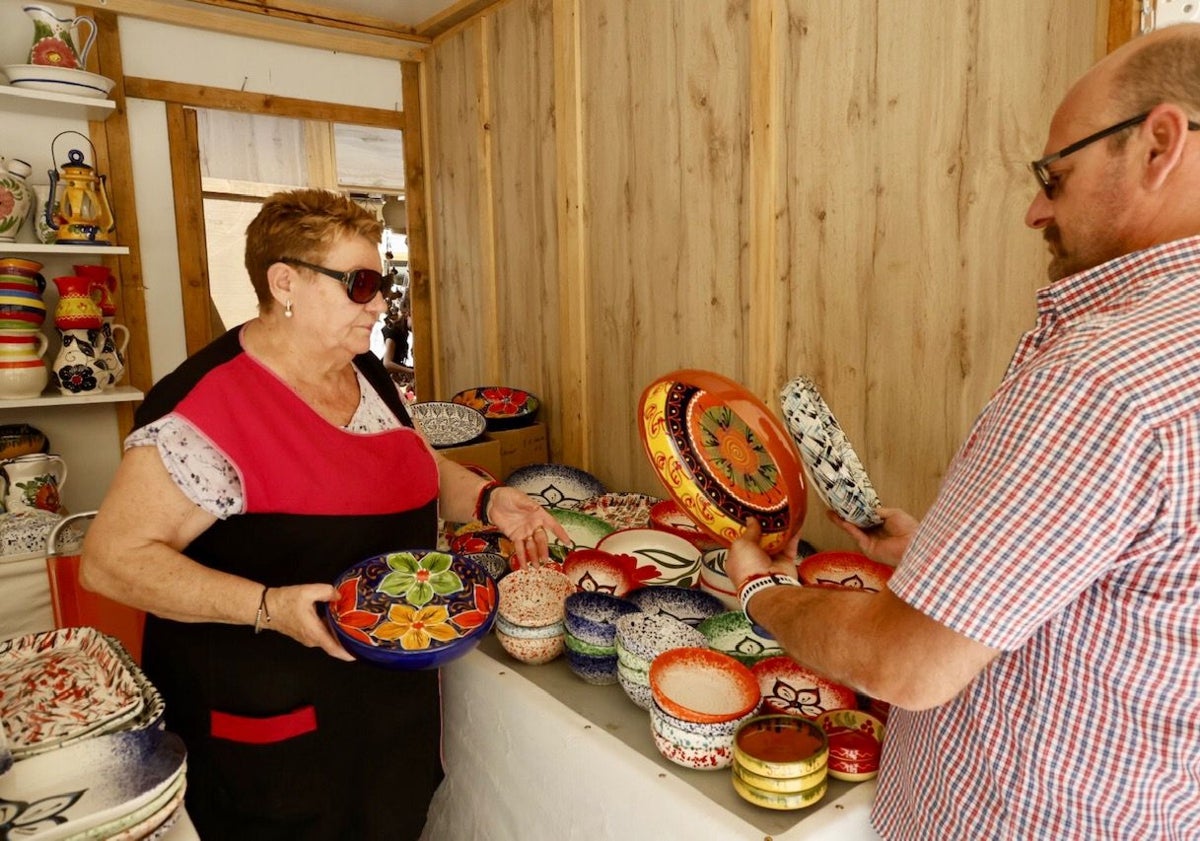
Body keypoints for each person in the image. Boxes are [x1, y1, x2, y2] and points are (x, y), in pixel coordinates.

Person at [727, 24, 1200, 840]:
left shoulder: (1104, 373)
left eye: (1057, 174)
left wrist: (763, 593)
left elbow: (904, 664)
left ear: (1159, 144)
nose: (1035, 208)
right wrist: (939, 554)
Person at [80, 188, 569, 840]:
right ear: (285, 281)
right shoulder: (207, 410)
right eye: (360, 283)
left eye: (384, 283)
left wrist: (485, 498)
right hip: (273, 727)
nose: (380, 303)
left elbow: (412, 466)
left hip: (386, 714)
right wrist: (267, 605)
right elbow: (110, 563)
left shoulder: (365, 370)